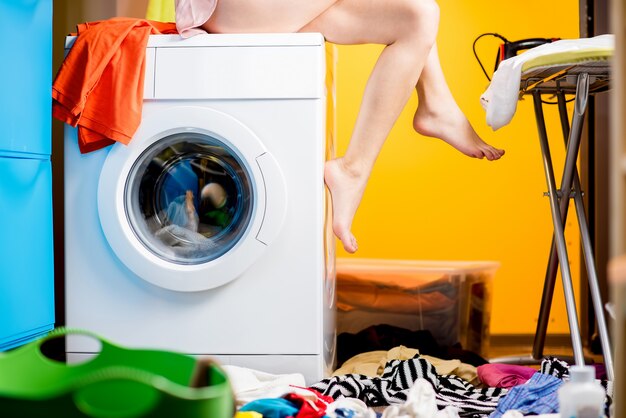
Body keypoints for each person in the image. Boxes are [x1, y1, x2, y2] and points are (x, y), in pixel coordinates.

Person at [175, 0, 505, 254]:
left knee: (418, 15)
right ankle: (434, 107)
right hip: (230, 9)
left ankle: (359, 163)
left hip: (268, 10)